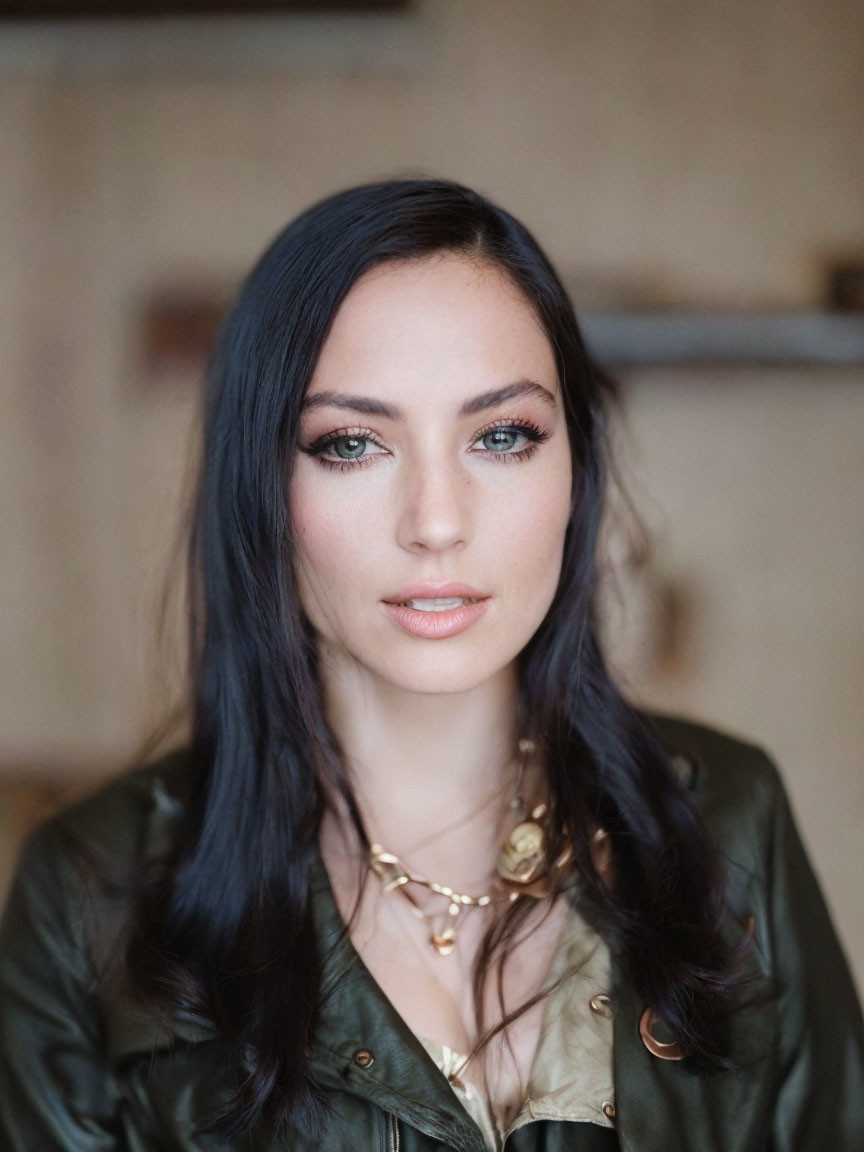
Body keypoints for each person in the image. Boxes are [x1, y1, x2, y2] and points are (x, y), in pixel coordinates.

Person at [0, 178, 862, 1152]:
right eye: (352, 444)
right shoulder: (90, 898)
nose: (438, 522)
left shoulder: (728, 819)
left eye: (501, 436)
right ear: (260, 486)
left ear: (575, 466)